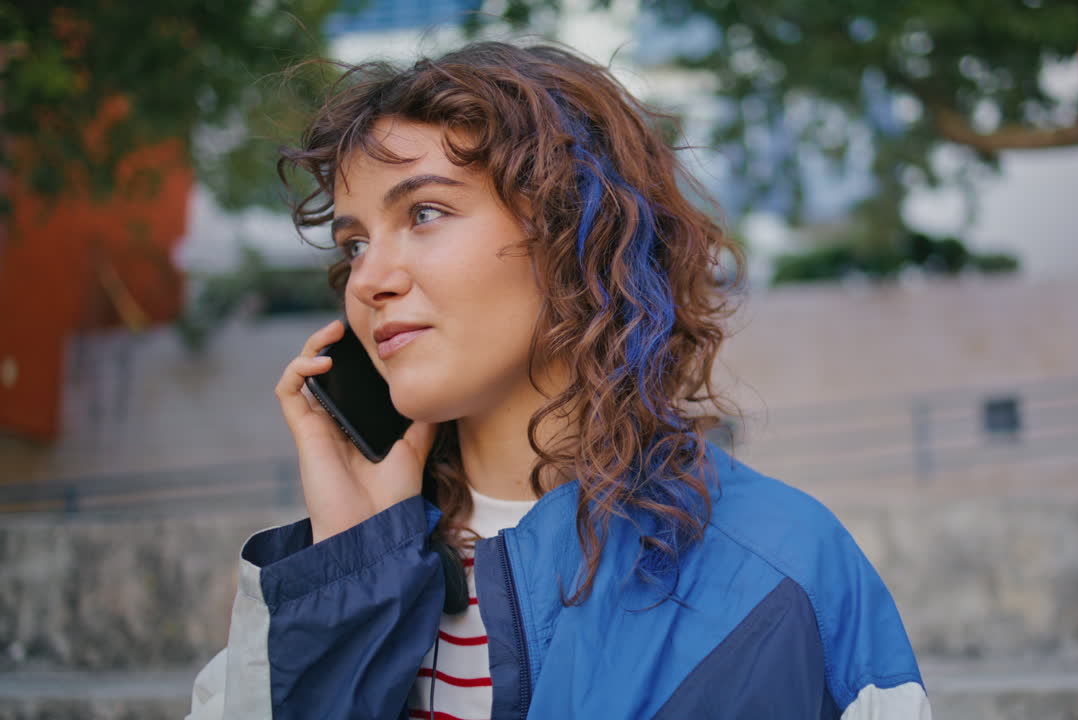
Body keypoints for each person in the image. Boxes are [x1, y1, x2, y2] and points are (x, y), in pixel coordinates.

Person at [187, 41, 930, 720]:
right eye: (354, 241)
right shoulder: (326, 577)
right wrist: (345, 578)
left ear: (579, 233)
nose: (368, 280)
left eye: (425, 211)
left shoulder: (787, 574)